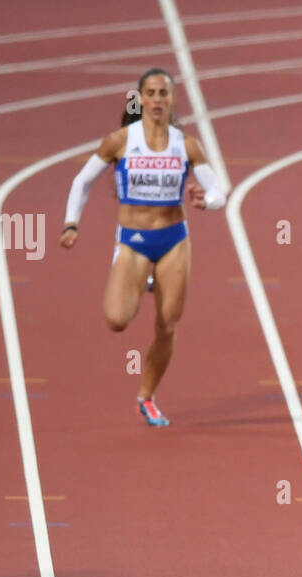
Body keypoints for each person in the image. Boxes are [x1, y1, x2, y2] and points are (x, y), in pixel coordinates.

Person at [60, 67, 227, 426]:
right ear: (141, 98)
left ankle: (146, 397)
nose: (157, 100)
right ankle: (138, 278)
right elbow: (82, 180)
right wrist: (71, 223)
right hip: (134, 241)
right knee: (117, 319)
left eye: (163, 94)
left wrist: (205, 201)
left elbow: (218, 192)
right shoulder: (120, 141)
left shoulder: (187, 145)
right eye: (150, 93)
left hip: (173, 240)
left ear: (173, 99)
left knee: (168, 324)